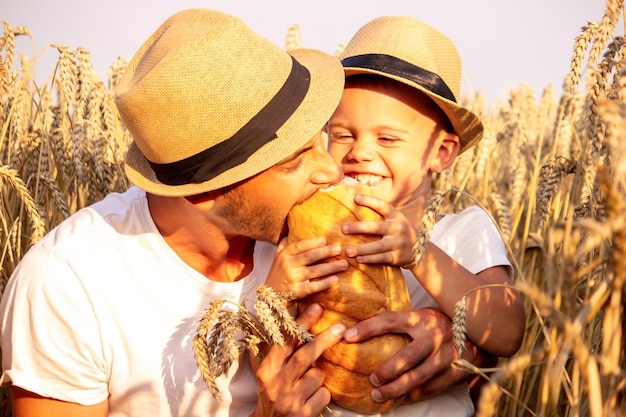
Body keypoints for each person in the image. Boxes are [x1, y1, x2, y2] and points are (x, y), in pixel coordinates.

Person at [0, 9, 354, 417]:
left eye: (322, 139)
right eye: (296, 160)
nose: (333, 171)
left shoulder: (318, 238)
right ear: (207, 193)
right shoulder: (68, 286)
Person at [266, 16, 526, 417]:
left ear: (441, 153)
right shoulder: (308, 225)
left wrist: (419, 253)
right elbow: (269, 352)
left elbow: (508, 331)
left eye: (387, 139)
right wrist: (278, 287)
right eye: (343, 134)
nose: (361, 153)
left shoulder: (462, 230)